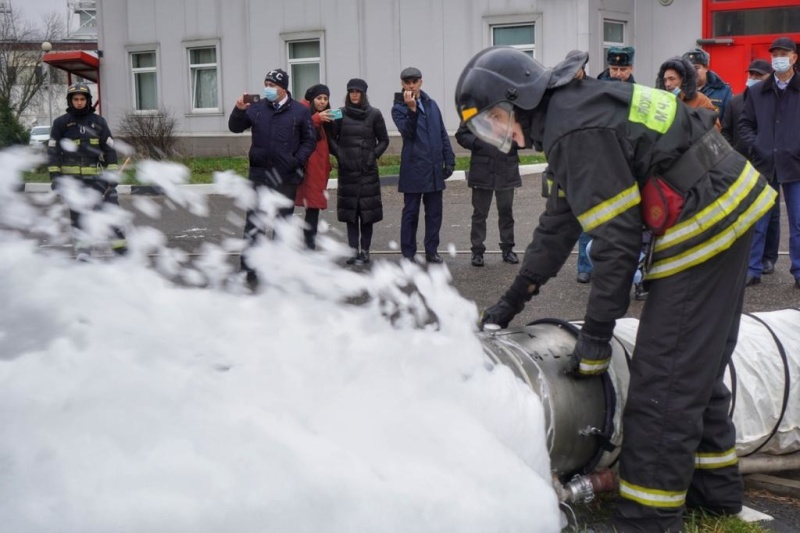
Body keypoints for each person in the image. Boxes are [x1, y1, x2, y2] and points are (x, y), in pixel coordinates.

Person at [455, 46, 775, 531]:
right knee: (694, 366)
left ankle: (647, 519)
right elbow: (559, 224)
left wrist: (596, 337)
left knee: (663, 379)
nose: (499, 134)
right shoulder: (573, 111)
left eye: (494, 120)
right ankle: (713, 493)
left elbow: (617, 242)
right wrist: (510, 302)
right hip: (727, 201)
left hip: (705, 219)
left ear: (518, 98)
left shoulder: (572, 130)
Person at [228, 68, 315, 287]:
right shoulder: (257, 108)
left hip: (286, 176)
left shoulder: (300, 111)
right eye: (266, 84)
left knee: (282, 223)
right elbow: (235, 128)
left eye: (272, 85)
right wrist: (239, 110)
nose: (268, 88)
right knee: (254, 222)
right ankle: (250, 267)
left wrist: (296, 161)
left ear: (283, 88)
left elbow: (309, 140)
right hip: (260, 174)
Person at [740, 36, 800, 290]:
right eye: (774, 54)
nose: (778, 58)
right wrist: (758, 145)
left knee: (798, 222)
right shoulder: (757, 91)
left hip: (796, 165)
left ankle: (799, 271)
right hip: (765, 164)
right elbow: (745, 124)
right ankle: (752, 269)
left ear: (794, 57)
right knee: (758, 220)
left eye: (783, 54)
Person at [577, 46, 637, 284]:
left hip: (625, 162)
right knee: (590, 216)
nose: (618, 74)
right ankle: (585, 265)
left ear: (631, 68)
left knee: (624, 219)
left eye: (623, 69)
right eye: (614, 69)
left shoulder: (638, 93)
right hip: (597, 160)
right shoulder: (594, 90)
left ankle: (619, 266)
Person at [47, 82, 126, 260]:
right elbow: (53, 153)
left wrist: (112, 175)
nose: (79, 102)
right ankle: (83, 254)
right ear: (70, 101)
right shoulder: (60, 123)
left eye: (82, 99)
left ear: (88, 100)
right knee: (78, 219)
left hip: (99, 180)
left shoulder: (99, 122)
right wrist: (56, 178)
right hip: (73, 182)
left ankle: (121, 251)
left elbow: (109, 151)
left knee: (111, 212)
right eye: (76, 99)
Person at [721, 59, 780, 278]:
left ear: (769, 77)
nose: (753, 79)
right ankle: (743, 258)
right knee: (741, 212)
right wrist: (731, 154)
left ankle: (767, 257)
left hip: (768, 164)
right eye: (751, 75)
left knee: (770, 213)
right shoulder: (736, 101)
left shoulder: (774, 101)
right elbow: (726, 130)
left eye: (759, 76)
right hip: (741, 164)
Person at [391, 66, 456, 263]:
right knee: (411, 213)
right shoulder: (398, 108)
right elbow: (407, 133)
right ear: (402, 84)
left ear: (421, 82)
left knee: (434, 213)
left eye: (415, 81)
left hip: (434, 168)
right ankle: (408, 253)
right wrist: (411, 110)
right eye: (407, 82)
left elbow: (442, 133)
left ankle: (431, 250)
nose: (411, 85)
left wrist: (449, 159)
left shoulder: (431, 104)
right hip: (414, 168)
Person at [330, 78, 390, 265]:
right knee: (350, 214)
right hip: (347, 171)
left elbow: (384, 140)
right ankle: (353, 251)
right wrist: (340, 154)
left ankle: (365, 251)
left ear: (363, 94)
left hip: (367, 171)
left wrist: (373, 155)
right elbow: (330, 138)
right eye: (351, 91)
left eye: (358, 92)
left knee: (366, 213)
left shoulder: (374, 114)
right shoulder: (339, 113)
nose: (354, 95)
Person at [455, 122, 521, 267]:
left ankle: (508, 249)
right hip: (482, 169)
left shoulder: (514, 109)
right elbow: (461, 134)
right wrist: (478, 142)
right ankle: (477, 251)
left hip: (506, 169)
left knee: (506, 212)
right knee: (480, 214)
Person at [295, 83, 335, 250]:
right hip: (307, 170)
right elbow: (299, 129)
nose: (322, 102)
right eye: (319, 98)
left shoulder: (323, 118)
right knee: (308, 208)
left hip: (318, 171)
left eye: (325, 98)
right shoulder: (304, 113)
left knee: (313, 209)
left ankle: (308, 246)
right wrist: (317, 119)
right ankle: (306, 246)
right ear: (311, 100)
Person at [657, 56, 721, 126]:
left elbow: (714, 128)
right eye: (665, 80)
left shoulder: (701, 101)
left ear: (683, 80)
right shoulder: (659, 102)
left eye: (672, 79)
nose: (667, 84)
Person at [683, 47, 733, 122]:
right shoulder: (681, 91)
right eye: (689, 69)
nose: (692, 72)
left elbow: (728, 121)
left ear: (706, 68)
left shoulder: (723, 91)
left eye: (696, 68)